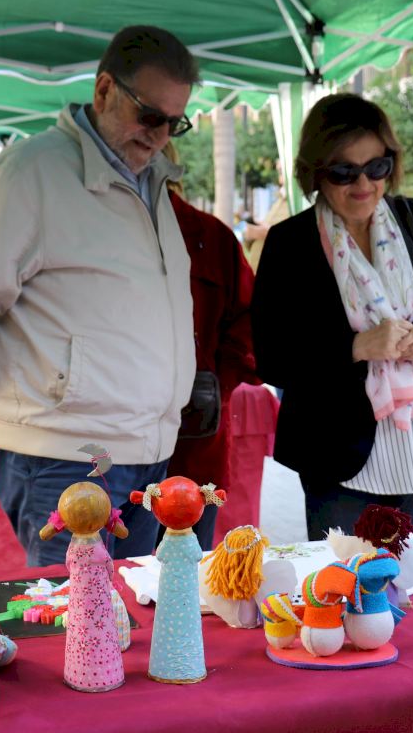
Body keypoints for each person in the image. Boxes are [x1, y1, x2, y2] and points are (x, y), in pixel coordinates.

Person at [0, 26, 197, 567]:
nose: (160, 135)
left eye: (174, 122)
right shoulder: (31, 173)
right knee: (74, 620)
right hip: (65, 459)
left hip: (147, 455)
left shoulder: (151, 181)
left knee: (129, 616)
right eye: (149, 116)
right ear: (104, 90)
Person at [250, 93, 413, 541]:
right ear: (316, 172)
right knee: (343, 581)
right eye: (343, 172)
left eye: (377, 167)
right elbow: (270, 355)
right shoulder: (289, 243)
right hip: (335, 457)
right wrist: (355, 346)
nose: (363, 184)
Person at [164, 149, 259, 549]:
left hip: (194, 442)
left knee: (186, 563)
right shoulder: (93, 236)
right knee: (117, 570)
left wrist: (214, 385)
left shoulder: (211, 237)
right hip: (115, 444)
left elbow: (251, 327)